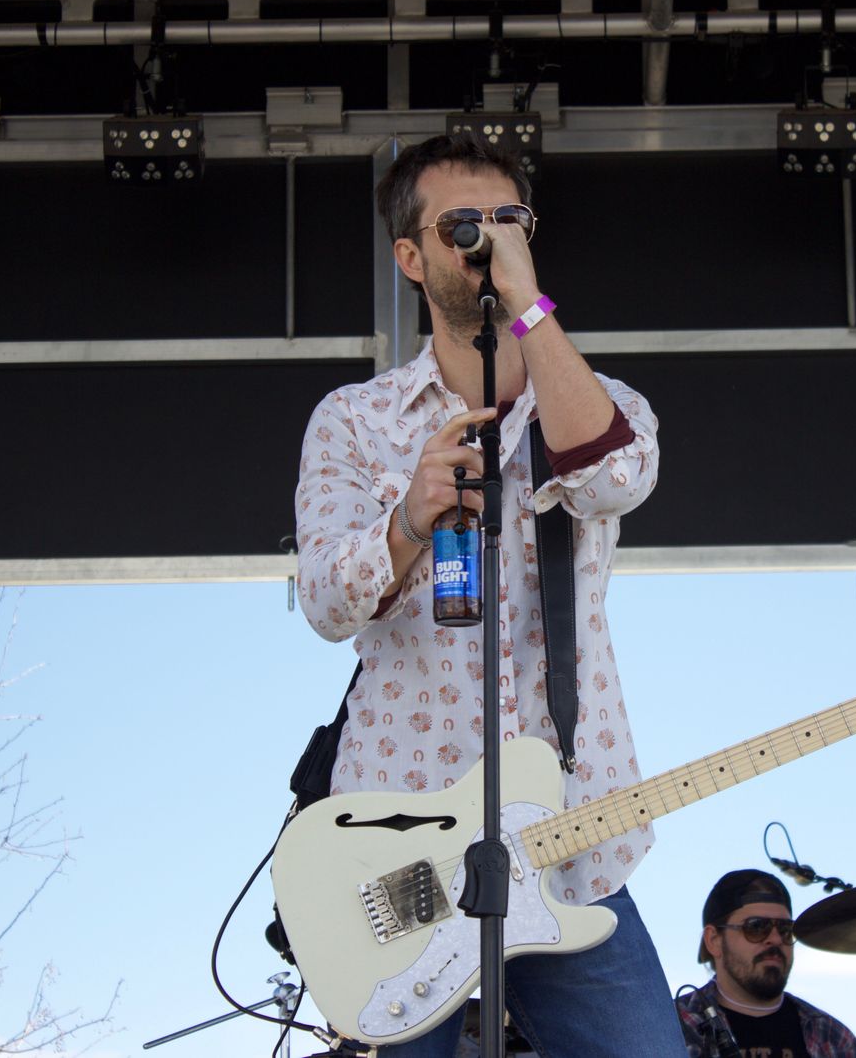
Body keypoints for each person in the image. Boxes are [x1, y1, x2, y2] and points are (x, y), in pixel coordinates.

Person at [292, 132, 678, 1057]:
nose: (489, 239)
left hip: (565, 843)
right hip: (400, 841)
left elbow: (618, 478)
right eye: (462, 224)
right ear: (410, 256)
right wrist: (407, 522)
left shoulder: (598, 401)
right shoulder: (355, 420)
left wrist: (530, 303)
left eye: (510, 220)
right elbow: (326, 604)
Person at [678, 869, 856, 1058]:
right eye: (756, 926)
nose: (775, 939)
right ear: (714, 940)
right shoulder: (674, 1025)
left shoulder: (834, 1037)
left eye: (785, 929)